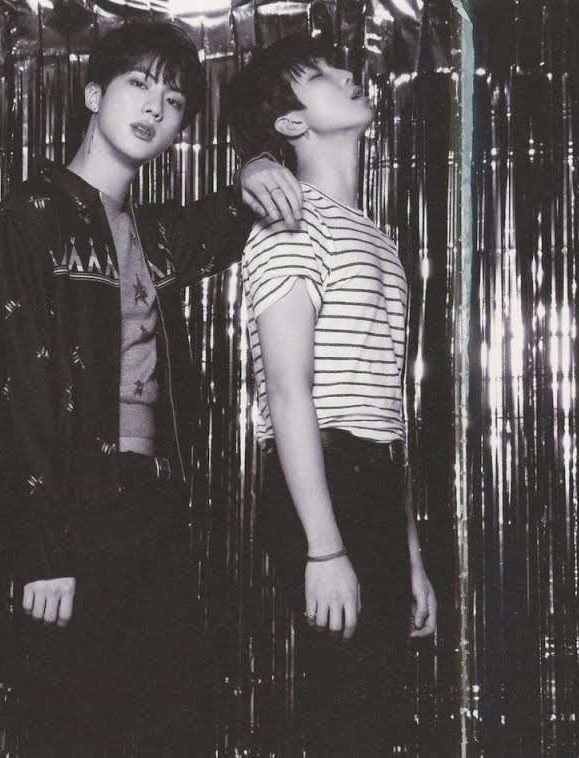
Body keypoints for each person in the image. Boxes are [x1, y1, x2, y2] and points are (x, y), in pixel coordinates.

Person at [0, 20, 302, 757]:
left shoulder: (155, 235)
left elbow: (242, 207)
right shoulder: (27, 220)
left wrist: (255, 163)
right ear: (93, 94)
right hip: (70, 506)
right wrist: (43, 551)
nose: (155, 107)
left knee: (168, 720)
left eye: (174, 101)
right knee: (75, 725)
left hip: (150, 498)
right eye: (138, 85)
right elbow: (12, 395)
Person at [227, 34, 438, 756]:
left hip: (370, 475)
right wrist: (323, 548)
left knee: (375, 713)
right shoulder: (290, 224)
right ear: (291, 122)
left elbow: (384, 414)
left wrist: (410, 557)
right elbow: (289, 394)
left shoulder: (376, 238)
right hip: (323, 477)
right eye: (319, 75)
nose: (350, 73)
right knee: (342, 712)